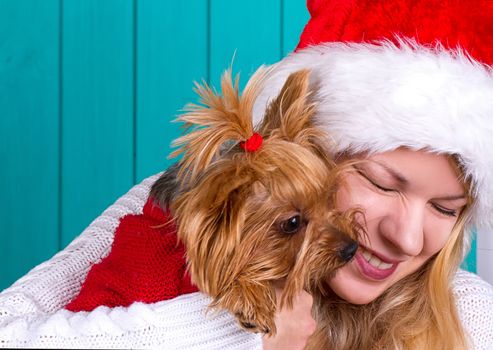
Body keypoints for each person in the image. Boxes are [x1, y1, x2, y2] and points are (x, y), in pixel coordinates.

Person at [0, 0, 492, 349]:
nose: (405, 238)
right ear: (311, 150)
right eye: (382, 183)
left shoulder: (472, 317)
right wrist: (243, 335)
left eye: (446, 209)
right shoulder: (166, 215)